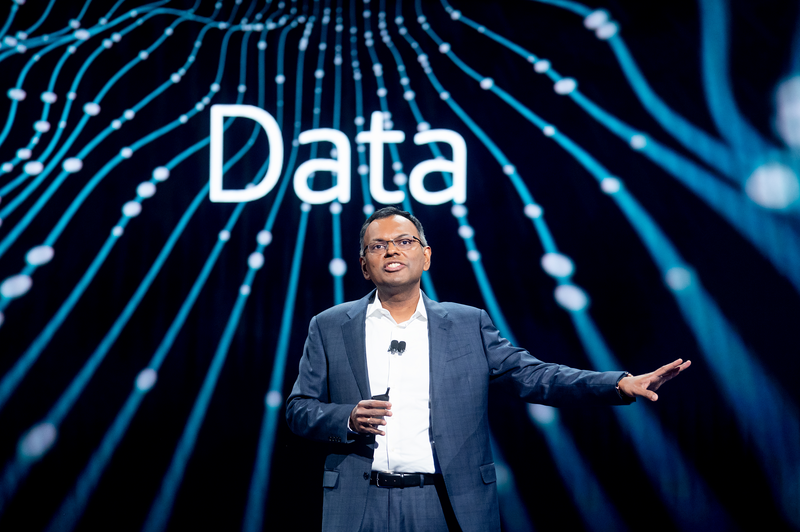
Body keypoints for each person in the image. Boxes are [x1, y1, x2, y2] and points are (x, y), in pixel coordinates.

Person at [286, 206, 690, 532]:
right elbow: (299, 409)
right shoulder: (330, 326)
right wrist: (347, 419)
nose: (392, 251)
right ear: (364, 265)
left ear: (426, 257)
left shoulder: (467, 323)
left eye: (404, 241)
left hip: (446, 501)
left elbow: (535, 376)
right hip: (361, 503)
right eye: (379, 246)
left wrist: (619, 384)